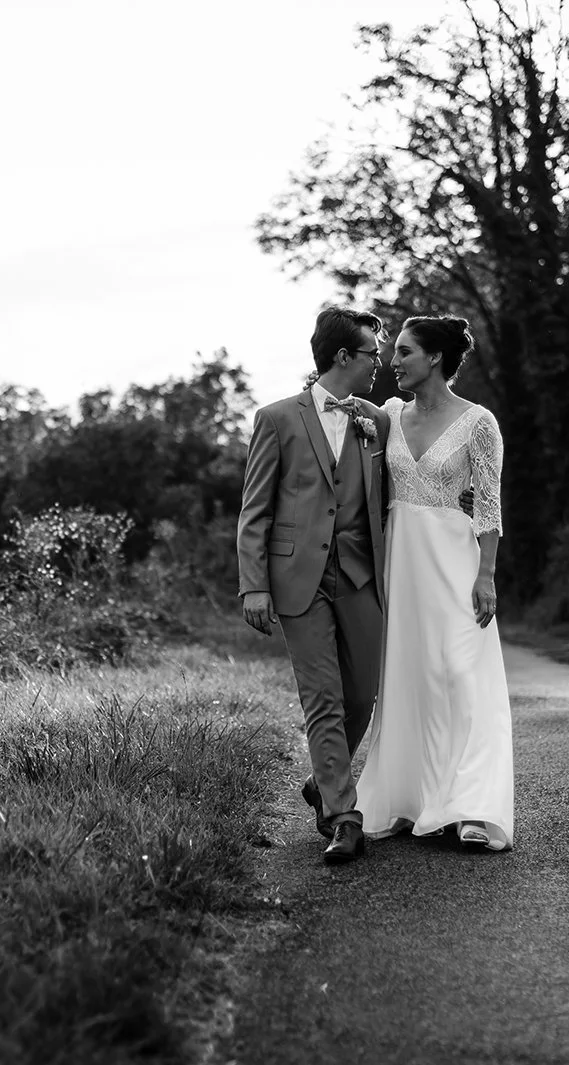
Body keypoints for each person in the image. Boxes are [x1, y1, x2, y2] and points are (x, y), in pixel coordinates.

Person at [355, 314, 514, 852]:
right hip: (401, 562)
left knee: (461, 674)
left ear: (435, 359)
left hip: (455, 559)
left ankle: (471, 806)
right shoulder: (391, 415)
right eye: (393, 351)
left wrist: (486, 575)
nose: (392, 361)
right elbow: (348, 420)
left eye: (403, 352)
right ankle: (410, 799)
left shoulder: (479, 423)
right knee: (409, 675)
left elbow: (489, 505)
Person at [237, 307, 390, 864]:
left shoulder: (377, 421)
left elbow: (404, 488)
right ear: (343, 356)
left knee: (361, 694)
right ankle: (343, 816)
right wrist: (254, 585)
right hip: (296, 578)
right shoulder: (276, 418)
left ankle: (322, 781)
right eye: (373, 352)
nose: (381, 362)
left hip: (359, 573)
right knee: (322, 699)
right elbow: (255, 509)